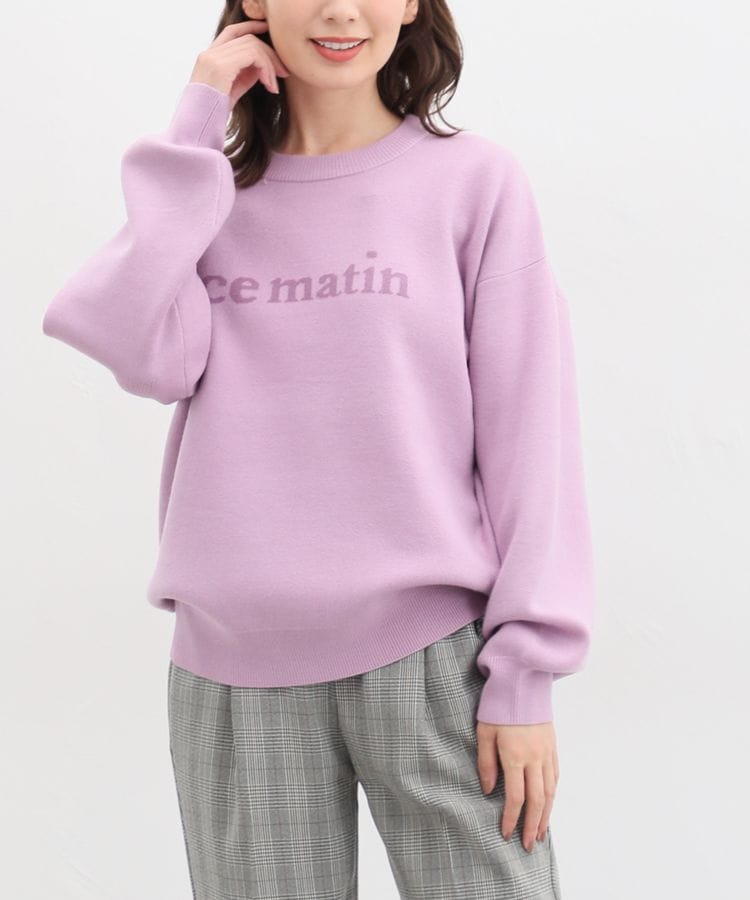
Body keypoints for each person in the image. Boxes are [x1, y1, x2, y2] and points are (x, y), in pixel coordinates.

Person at [41, 1, 596, 897]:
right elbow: (137, 349)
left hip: (433, 662)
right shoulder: (207, 201)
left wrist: (525, 673)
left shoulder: (474, 183)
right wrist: (195, 123)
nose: (340, 9)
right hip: (234, 672)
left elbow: (531, 441)